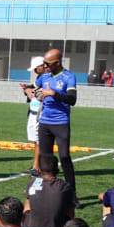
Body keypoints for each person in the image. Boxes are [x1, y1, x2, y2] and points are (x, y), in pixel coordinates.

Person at [35, 48, 77, 195]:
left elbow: (72, 100)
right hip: (44, 123)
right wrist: (31, 92)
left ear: (57, 63)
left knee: (64, 157)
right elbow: (36, 91)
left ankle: (71, 194)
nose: (45, 66)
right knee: (45, 160)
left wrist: (54, 93)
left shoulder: (68, 77)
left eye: (48, 63)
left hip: (61, 123)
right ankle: (44, 192)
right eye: (44, 63)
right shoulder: (44, 77)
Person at [24, 154, 75, 227]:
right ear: (57, 169)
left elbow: (26, 210)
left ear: (39, 169)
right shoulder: (64, 186)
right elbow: (71, 214)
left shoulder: (32, 183)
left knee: (27, 203)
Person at [19, 57, 46, 173]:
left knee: (39, 140)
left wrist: (30, 93)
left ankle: (37, 167)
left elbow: (39, 94)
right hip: (34, 112)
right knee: (35, 140)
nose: (34, 71)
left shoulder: (48, 77)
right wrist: (27, 88)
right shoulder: (40, 77)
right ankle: (37, 165)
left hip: (41, 113)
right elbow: (34, 87)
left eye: (36, 68)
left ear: (42, 66)